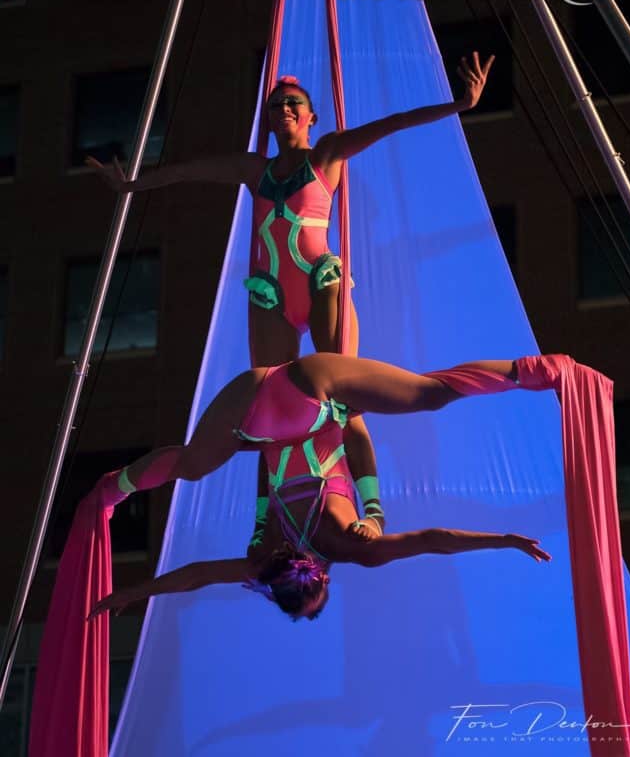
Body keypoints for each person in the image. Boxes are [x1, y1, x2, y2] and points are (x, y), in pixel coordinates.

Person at [86, 53, 496, 546]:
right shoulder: (253, 170)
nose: (283, 107)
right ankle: (264, 522)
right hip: (272, 295)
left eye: (292, 102)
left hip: (319, 283)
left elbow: (392, 125)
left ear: (309, 116)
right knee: (267, 413)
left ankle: (374, 510)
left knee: (347, 402)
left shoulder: (325, 154)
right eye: (276, 103)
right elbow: (189, 171)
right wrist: (133, 184)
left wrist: (459, 104)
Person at [88, 351, 551, 623]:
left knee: (428, 394)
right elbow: (196, 576)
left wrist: (503, 540)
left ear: (322, 578)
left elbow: (433, 541)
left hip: (313, 398)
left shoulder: (354, 547)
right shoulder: (261, 559)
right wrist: (134, 593)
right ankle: (114, 487)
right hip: (253, 407)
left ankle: (535, 370)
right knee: (190, 465)